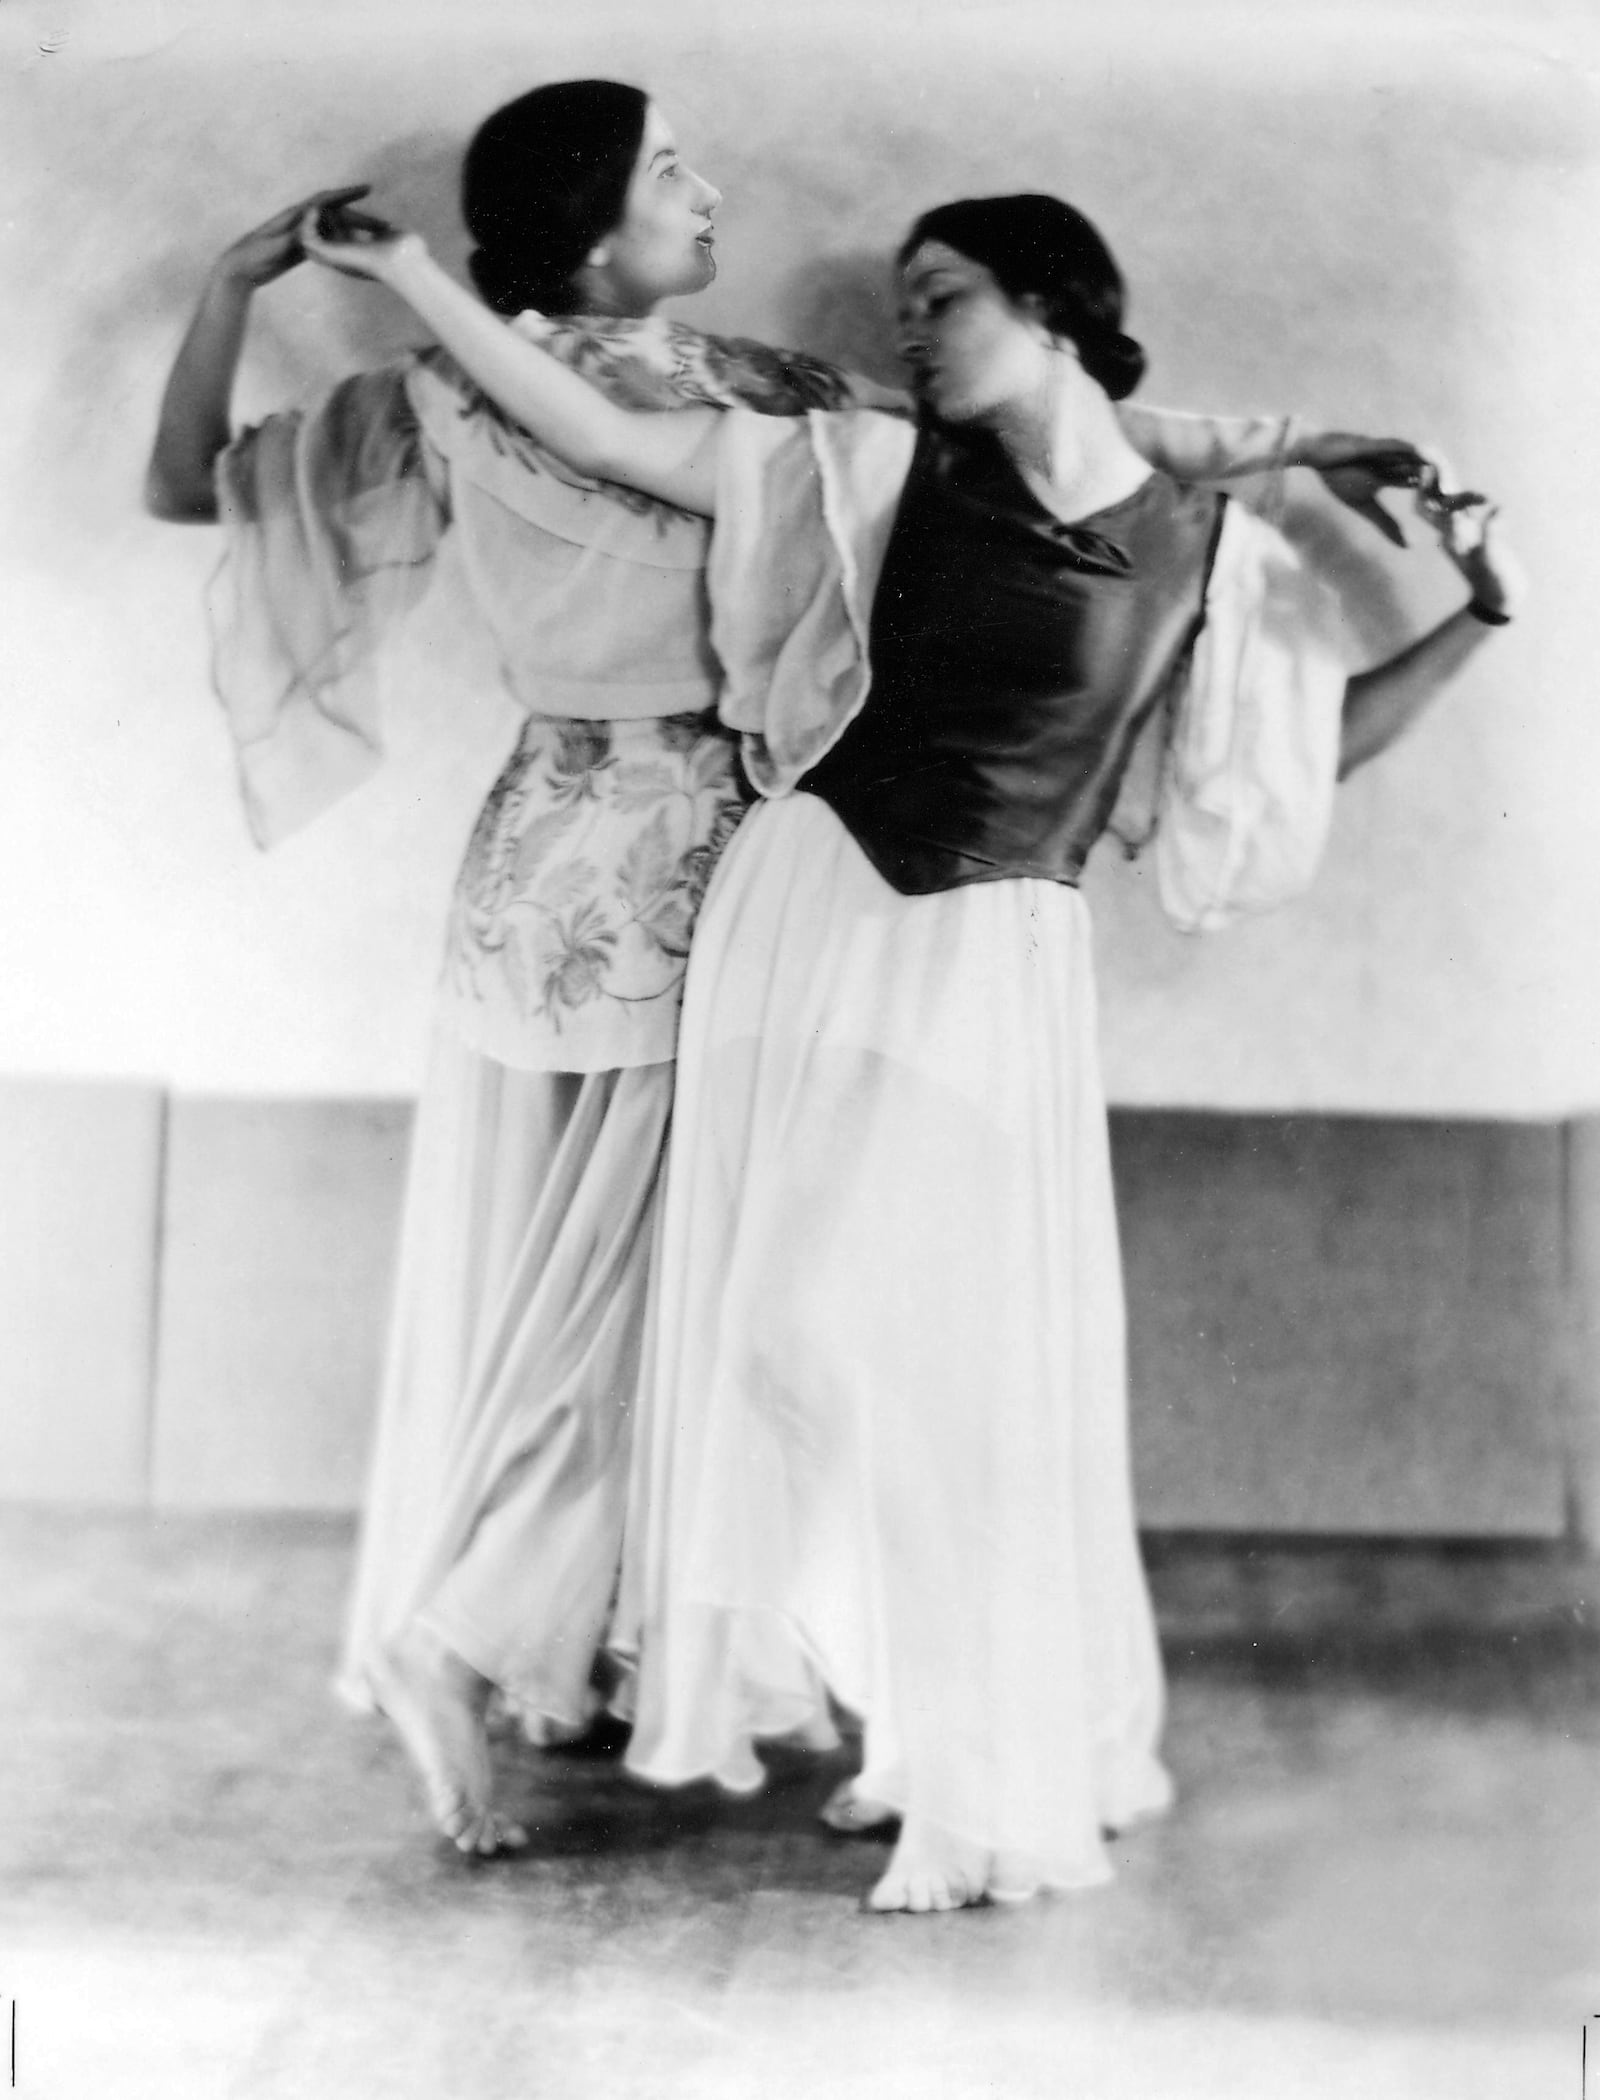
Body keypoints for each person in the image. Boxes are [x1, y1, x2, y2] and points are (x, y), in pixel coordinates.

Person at [145, 83, 1439, 1862]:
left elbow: (182, 485)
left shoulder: (454, 390)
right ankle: (481, 1635)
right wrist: (1301, 439)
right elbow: (1062, 441)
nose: (711, 188)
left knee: (622, 1295)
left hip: (542, 862)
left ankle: (570, 1652)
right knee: (663, 1308)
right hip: (716, 862)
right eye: (673, 170)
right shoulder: (737, 392)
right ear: (598, 226)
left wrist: (234, 294)